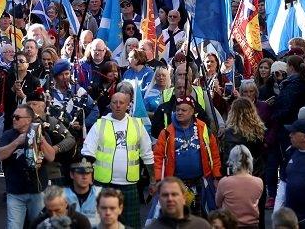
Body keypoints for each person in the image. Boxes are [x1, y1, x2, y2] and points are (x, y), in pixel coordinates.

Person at [81, 91, 154, 228]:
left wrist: (153, 181)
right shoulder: (100, 125)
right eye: (115, 102)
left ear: (128, 105)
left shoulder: (137, 125)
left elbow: (147, 155)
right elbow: (87, 154)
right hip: (103, 184)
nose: (118, 105)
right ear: (110, 104)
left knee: (131, 225)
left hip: (129, 185)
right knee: (102, 224)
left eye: (122, 102)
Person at [153, 96, 222, 217]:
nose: (179, 112)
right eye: (178, 109)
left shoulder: (203, 128)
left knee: (201, 219)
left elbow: (215, 155)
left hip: (201, 182)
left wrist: (216, 176)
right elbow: (158, 158)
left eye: (184, 110)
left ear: (192, 112)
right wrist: (159, 180)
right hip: (176, 184)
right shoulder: (166, 132)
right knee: (178, 218)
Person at [0, 104, 57, 229]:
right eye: (13, 116)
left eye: (17, 117)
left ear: (29, 119)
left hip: (37, 190)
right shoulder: (9, 135)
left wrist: (40, 139)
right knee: (14, 226)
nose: (14, 119)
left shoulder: (42, 134)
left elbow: (51, 157)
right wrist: (17, 142)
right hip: (15, 191)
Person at [215, 145, 264, 229]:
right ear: (250, 160)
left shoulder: (224, 182)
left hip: (231, 225)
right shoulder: (259, 182)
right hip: (252, 225)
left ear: (231, 161)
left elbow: (218, 203)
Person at [147, 177, 212, 228]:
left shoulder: (202, 226)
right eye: (165, 195)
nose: (170, 199)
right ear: (159, 199)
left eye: (174, 194)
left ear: (184, 198)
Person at [62, 159, 101, 226]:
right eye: (80, 173)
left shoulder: (100, 194)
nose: (85, 177)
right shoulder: (61, 195)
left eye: (88, 173)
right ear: (71, 174)